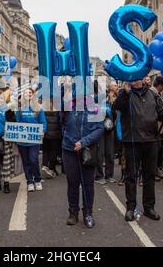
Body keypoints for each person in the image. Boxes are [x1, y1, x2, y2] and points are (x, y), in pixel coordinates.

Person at [114, 80, 163, 221]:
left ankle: (149, 207)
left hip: (151, 141)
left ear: (142, 79)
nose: (135, 80)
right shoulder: (125, 93)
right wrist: (126, 92)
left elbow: (161, 114)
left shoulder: (152, 94)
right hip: (132, 142)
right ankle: (131, 207)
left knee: (149, 176)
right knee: (130, 176)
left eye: (138, 77)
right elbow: (116, 107)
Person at [61, 96, 104, 228]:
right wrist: (72, 141)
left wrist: (83, 142)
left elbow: (99, 129)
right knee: (72, 182)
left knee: (88, 184)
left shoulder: (95, 107)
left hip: (88, 151)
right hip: (69, 149)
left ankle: (88, 213)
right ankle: (73, 212)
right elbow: (62, 125)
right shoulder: (67, 106)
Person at [16, 88, 47, 192]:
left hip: (34, 140)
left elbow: (43, 123)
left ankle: (37, 180)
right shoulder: (20, 109)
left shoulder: (38, 108)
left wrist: (42, 131)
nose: (28, 94)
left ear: (33, 95)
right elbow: (17, 123)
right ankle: (29, 181)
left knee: (33, 160)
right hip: (22, 141)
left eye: (30, 93)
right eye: (26, 93)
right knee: (26, 162)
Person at [151, 76, 163, 180]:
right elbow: (157, 111)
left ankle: (156, 169)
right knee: (154, 150)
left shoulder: (158, 95)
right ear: (160, 86)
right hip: (154, 125)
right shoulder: (152, 94)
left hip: (159, 126)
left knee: (158, 149)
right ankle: (153, 171)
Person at [42, 100, 62, 179]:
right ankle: (51, 168)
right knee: (54, 152)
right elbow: (61, 121)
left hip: (45, 133)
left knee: (45, 150)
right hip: (55, 134)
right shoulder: (58, 109)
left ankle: (44, 165)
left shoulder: (43, 109)